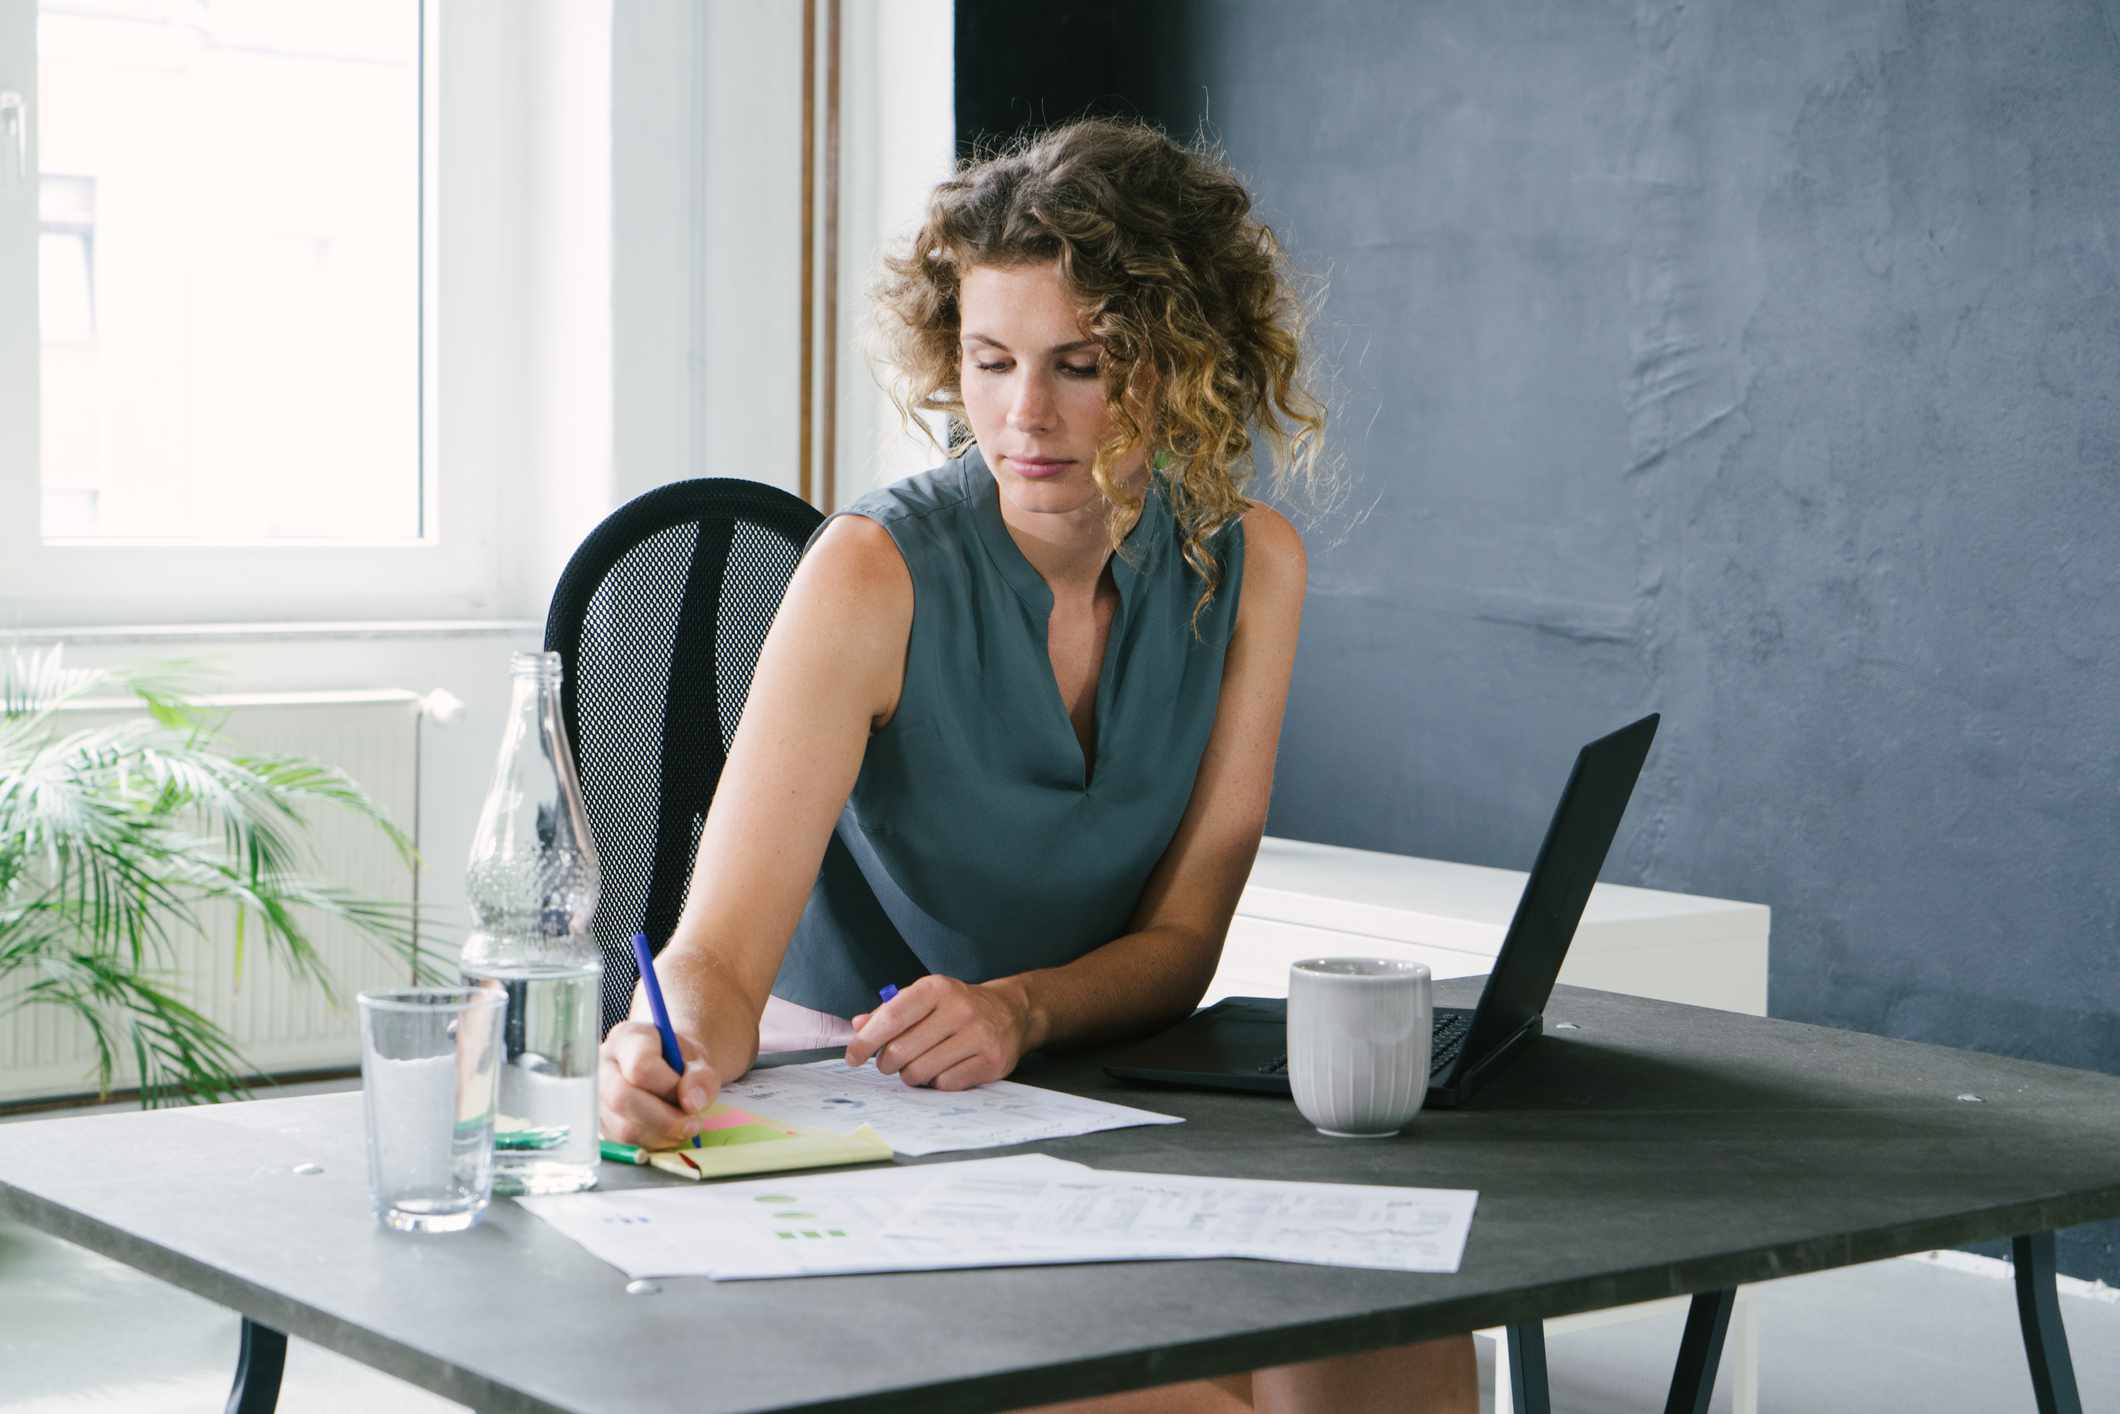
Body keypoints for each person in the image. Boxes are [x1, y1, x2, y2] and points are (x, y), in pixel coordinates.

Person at [597, 118, 1476, 1414]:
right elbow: (717, 961)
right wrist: (649, 1055)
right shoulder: (872, 573)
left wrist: (1020, 1010)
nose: (1024, 415)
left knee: (1397, 1338)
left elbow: (1184, 937)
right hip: (856, 1109)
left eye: (1083, 365)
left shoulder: (1252, 566)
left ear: (1185, 366)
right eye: (992, 359)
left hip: (1084, 1101)